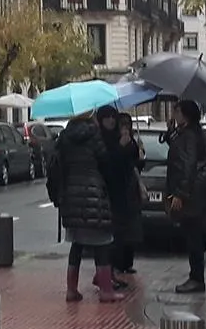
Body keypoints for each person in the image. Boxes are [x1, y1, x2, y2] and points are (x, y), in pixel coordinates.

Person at [47, 111, 120, 302]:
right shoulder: (94, 135)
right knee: (102, 242)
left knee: (77, 243)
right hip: (93, 193)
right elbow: (105, 163)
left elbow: (56, 165)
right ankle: (106, 290)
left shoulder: (64, 137)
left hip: (70, 195)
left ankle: (71, 289)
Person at [163, 99, 206, 294]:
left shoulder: (190, 136)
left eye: (176, 111)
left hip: (191, 194)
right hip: (191, 193)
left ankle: (197, 278)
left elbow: (188, 165)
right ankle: (195, 276)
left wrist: (180, 194)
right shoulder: (187, 134)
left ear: (185, 114)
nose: (174, 115)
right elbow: (179, 152)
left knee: (193, 236)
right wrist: (170, 133)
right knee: (191, 235)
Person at [97, 106, 143, 285]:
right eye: (107, 117)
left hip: (123, 191)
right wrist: (120, 147)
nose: (111, 120)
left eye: (112, 117)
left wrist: (133, 146)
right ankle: (107, 274)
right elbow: (107, 163)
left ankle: (112, 272)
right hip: (107, 192)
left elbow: (132, 163)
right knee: (110, 236)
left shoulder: (120, 137)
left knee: (121, 233)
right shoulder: (100, 139)